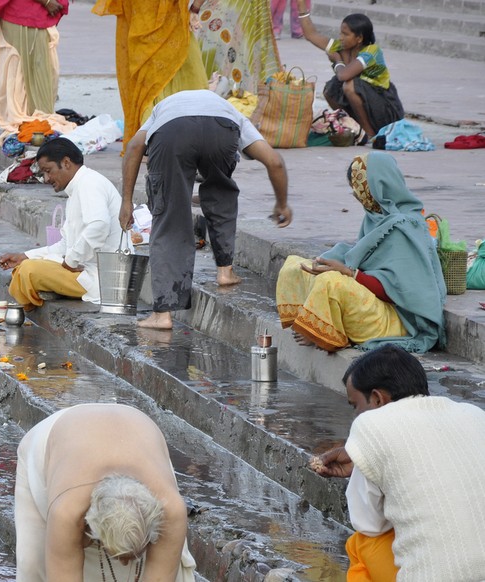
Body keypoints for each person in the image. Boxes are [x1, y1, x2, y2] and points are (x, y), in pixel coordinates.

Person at [119, 90, 292, 330]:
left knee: (170, 216)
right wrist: (281, 203)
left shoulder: (164, 110)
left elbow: (134, 147)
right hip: (221, 131)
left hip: (172, 133)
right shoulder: (233, 114)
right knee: (221, 193)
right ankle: (225, 272)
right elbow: (274, 161)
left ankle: (162, 314)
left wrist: (126, 201)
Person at [310, 345, 485, 580]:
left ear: (377, 398)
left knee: (359, 544)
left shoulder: (370, 426)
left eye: (355, 406)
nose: (355, 416)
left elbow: (368, 523)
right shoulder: (474, 414)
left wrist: (365, 466)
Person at [276, 153, 445, 353]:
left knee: (330, 282)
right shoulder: (376, 218)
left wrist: (350, 273)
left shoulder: (406, 227)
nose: (357, 196)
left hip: (397, 320)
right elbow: (365, 261)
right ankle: (308, 326)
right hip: (373, 304)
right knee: (294, 266)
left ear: (376, 187)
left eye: (358, 189)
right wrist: (329, 261)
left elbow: (402, 293)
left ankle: (321, 333)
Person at [16, 404, 198, 581]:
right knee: (34, 565)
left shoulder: (171, 509)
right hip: (54, 439)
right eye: (120, 555)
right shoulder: (66, 511)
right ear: (91, 524)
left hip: (136, 430)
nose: (125, 563)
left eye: (135, 553)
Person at [0, 138, 123, 310]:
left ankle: (28, 308)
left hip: (101, 278)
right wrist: (24, 256)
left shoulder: (89, 183)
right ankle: (29, 307)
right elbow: (65, 244)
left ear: (66, 163)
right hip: (84, 270)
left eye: (48, 171)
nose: (47, 178)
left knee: (28, 271)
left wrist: (70, 261)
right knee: (23, 267)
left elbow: (99, 225)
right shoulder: (77, 188)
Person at [94, 0, 209, 153]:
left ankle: (152, 141)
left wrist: (194, 9)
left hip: (154, 20)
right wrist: (195, 8)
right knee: (153, 84)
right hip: (155, 19)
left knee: (150, 84)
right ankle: (158, 140)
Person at [293, 0, 404, 140]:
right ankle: (353, 126)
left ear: (359, 38)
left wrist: (337, 61)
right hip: (367, 105)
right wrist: (302, 7)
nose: (341, 37)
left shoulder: (371, 52)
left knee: (349, 86)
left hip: (386, 109)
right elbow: (311, 35)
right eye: (341, 33)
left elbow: (344, 76)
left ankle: (369, 133)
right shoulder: (341, 47)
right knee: (330, 89)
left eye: (345, 34)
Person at [0, 0, 74, 135]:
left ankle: (37, 121)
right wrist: (46, 2)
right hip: (23, 13)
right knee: (22, 71)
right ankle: (36, 121)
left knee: (30, 71)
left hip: (30, 15)